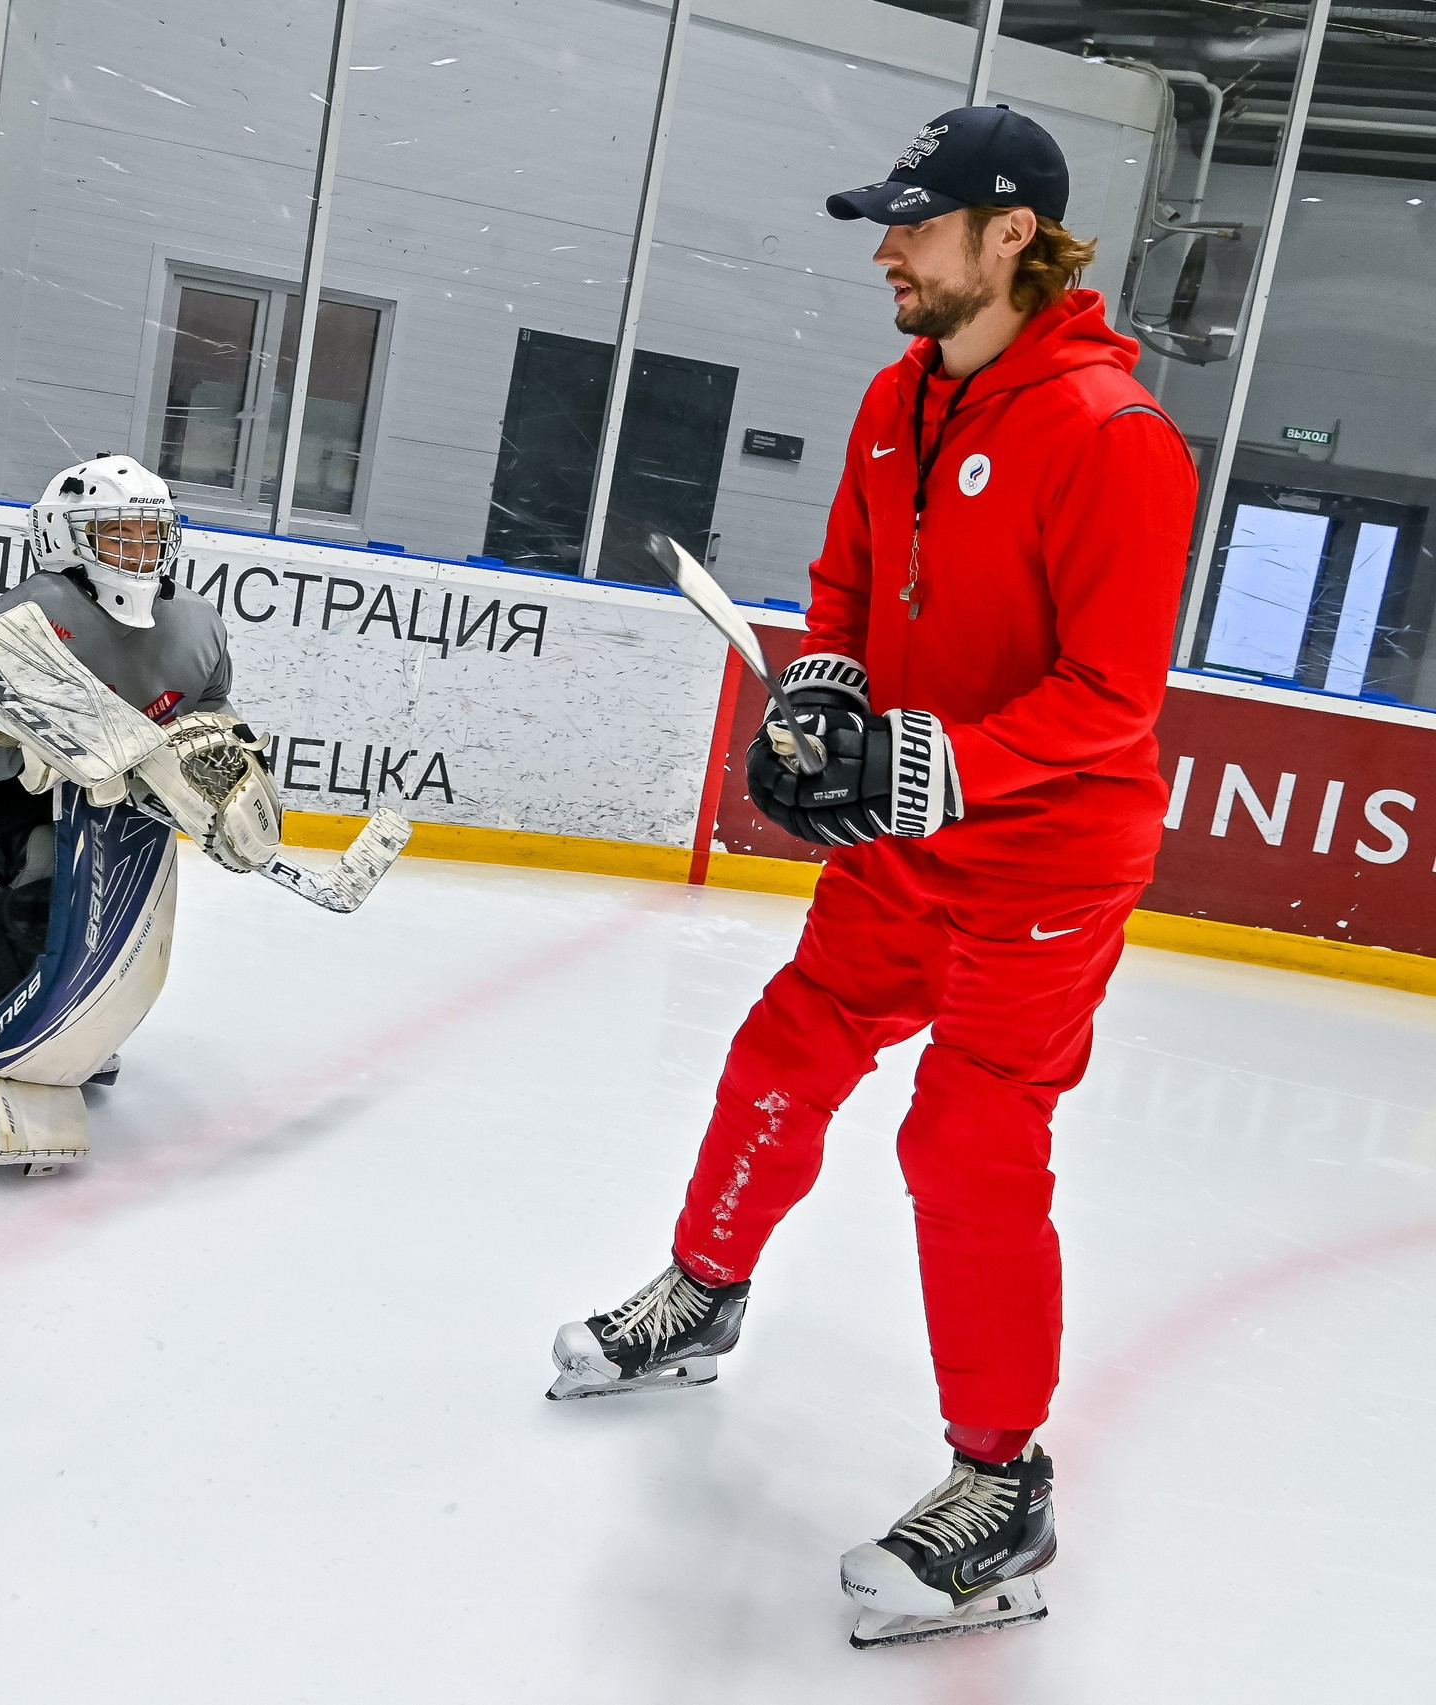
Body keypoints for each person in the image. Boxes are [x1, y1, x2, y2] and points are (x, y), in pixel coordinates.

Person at [542, 107, 1197, 1649]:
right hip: (906, 848)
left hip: (1041, 857)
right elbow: (848, 583)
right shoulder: (898, 400)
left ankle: (1002, 1482)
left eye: (913, 224)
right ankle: (702, 1291)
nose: (886, 252)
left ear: (1011, 235)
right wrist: (826, 695)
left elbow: (1114, 695)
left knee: (968, 1139)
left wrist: (937, 762)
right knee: (790, 1039)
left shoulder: (1115, 437)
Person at [0, 453, 269, 1173]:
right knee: (49, 878)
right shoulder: (25, 618)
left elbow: (208, 709)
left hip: (114, 799)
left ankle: (72, 1017)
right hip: (1, 791)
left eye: (150, 534)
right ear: (65, 538)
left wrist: (213, 774)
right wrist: (24, 753)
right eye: (118, 535)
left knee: (127, 911)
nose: (140, 552)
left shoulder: (196, 623)